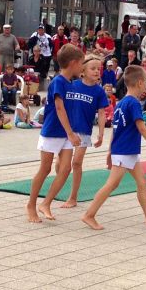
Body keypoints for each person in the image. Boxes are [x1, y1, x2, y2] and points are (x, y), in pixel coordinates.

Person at [81, 65, 146, 230]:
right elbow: (142, 128)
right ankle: (89, 214)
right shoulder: (134, 103)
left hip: (127, 150)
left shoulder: (122, 103)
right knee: (111, 184)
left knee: (142, 182)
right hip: (125, 151)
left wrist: (109, 151)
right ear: (140, 83)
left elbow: (116, 128)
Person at [26, 44, 84, 223]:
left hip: (67, 133)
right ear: (73, 63)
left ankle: (46, 203)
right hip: (53, 131)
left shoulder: (72, 83)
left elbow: (71, 109)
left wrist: (73, 131)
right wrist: (70, 133)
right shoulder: (58, 81)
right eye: (81, 63)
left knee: (65, 168)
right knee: (45, 168)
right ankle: (31, 204)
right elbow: (59, 108)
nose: (82, 67)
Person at [57, 57, 109, 208]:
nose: (96, 71)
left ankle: (73, 197)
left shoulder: (99, 91)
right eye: (92, 68)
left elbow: (101, 113)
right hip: (67, 130)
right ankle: (59, 186)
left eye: (98, 69)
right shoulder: (72, 85)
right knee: (61, 165)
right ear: (83, 71)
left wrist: (101, 133)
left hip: (84, 131)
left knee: (77, 162)